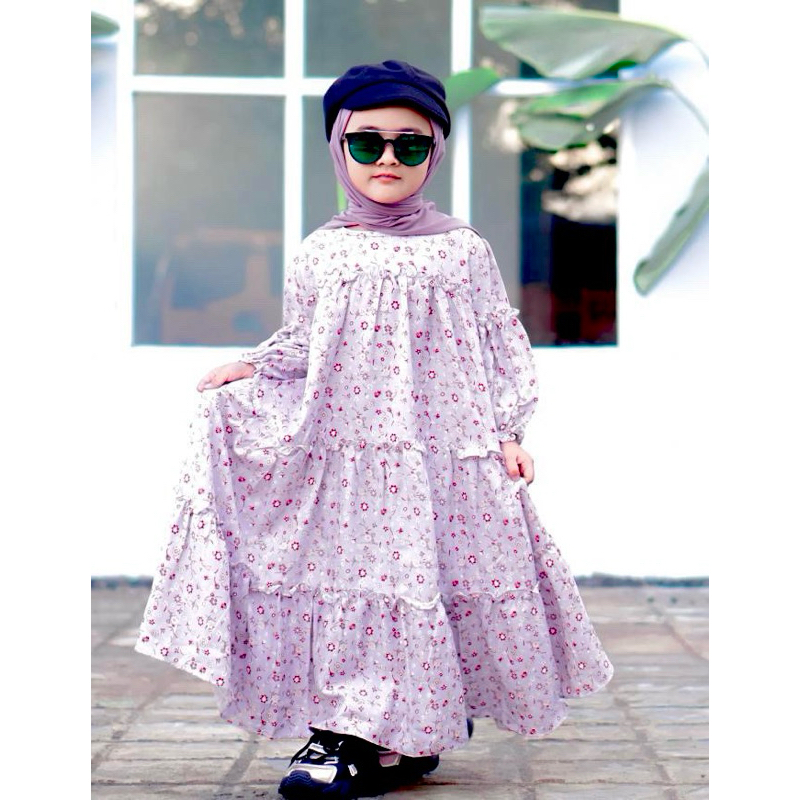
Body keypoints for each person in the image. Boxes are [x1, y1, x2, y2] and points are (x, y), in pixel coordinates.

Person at [136, 59, 613, 800]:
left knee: (426, 582)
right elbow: (305, 342)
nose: (387, 158)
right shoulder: (322, 250)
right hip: (346, 454)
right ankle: (347, 729)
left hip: (442, 453)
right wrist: (253, 368)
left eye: (409, 144)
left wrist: (509, 429)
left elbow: (498, 339)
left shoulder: (461, 249)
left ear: (434, 152)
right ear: (339, 148)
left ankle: (396, 735)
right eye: (367, 142)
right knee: (354, 582)